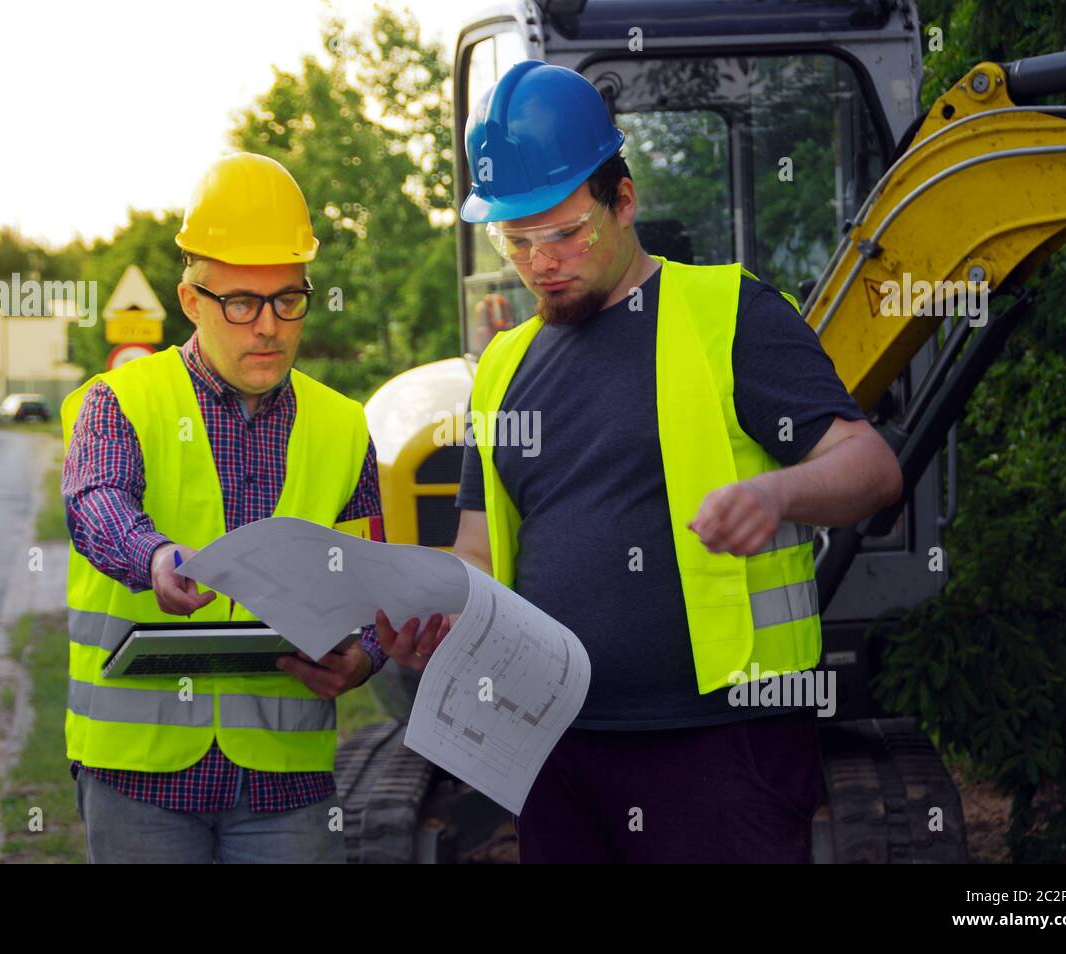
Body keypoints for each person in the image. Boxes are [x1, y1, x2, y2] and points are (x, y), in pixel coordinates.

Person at [379, 61, 904, 863]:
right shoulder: (503, 365)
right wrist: (442, 613)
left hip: (724, 745)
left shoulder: (730, 312)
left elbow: (870, 465)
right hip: (554, 745)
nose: (540, 261)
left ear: (624, 202)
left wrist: (778, 491)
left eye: (564, 232)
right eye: (515, 240)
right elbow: (480, 550)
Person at [61, 152, 385, 863]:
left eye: (287, 299)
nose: (266, 326)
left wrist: (366, 653)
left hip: (285, 783)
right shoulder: (121, 403)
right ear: (190, 300)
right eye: (240, 302)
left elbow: (368, 578)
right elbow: (96, 499)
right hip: (140, 778)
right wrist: (153, 557)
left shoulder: (343, 427)